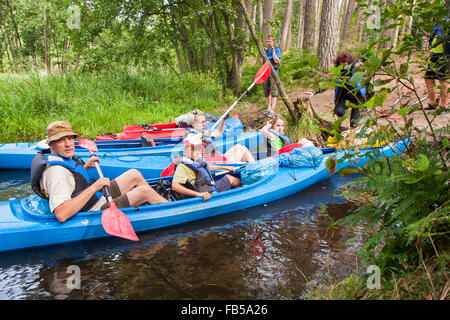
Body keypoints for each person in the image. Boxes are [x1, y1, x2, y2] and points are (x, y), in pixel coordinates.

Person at [31, 121, 167, 223]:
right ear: (51, 144)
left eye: (70, 138)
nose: (68, 144)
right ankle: (171, 210)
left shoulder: (60, 157)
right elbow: (62, 214)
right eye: (61, 140)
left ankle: (153, 206)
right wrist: (95, 186)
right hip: (93, 210)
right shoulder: (56, 173)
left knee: (134, 174)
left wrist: (85, 168)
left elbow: (70, 182)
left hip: (93, 198)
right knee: (145, 191)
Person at [171, 134, 241, 201]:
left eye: (199, 148)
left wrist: (223, 167)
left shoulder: (196, 159)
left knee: (230, 177)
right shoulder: (182, 166)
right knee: (231, 179)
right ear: (186, 149)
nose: (197, 152)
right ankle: (241, 191)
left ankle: (239, 189)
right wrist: (198, 194)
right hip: (207, 194)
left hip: (208, 188)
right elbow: (175, 186)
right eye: (193, 149)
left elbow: (204, 168)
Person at [187, 110, 255, 163]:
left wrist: (223, 119)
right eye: (201, 122)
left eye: (205, 122)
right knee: (243, 150)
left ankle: (251, 167)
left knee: (239, 146)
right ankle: (257, 169)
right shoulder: (190, 135)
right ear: (193, 124)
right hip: (216, 165)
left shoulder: (204, 132)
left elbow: (219, 132)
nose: (204, 124)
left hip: (219, 159)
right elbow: (192, 139)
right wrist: (202, 135)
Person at [333, 52, 367, 129]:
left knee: (354, 121)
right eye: (343, 62)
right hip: (345, 96)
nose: (345, 64)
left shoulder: (356, 70)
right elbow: (330, 82)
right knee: (339, 112)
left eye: (346, 62)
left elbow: (363, 68)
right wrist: (314, 92)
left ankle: (352, 136)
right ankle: (336, 130)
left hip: (357, 97)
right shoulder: (340, 73)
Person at [424, 19, 450, 110]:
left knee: (443, 79)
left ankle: (444, 106)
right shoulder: (438, 21)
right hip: (434, 53)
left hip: (445, 54)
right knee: (428, 78)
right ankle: (432, 103)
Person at [263, 35, 282, 114]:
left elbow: (276, 60)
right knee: (266, 90)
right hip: (266, 72)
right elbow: (263, 62)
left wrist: (273, 51)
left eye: (270, 41)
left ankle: (273, 108)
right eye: (267, 41)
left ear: (273, 41)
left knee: (273, 90)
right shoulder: (266, 50)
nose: (268, 43)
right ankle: (269, 107)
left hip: (274, 72)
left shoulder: (277, 50)